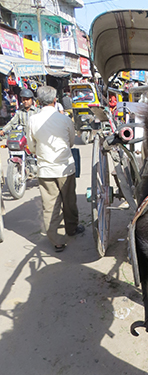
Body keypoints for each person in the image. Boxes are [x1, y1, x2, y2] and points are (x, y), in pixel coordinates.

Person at [26, 86, 84, 252]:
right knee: (69, 201)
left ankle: (57, 241)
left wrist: (41, 152)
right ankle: (71, 228)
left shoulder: (33, 120)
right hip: (65, 168)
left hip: (45, 169)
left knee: (50, 205)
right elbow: (71, 142)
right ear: (54, 100)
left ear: (38, 102)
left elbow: (31, 146)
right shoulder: (64, 119)